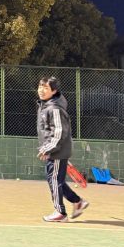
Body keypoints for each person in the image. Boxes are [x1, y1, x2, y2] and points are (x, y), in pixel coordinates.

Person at [36, 76, 89, 222]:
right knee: (55, 180)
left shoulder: (54, 109)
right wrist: (46, 148)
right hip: (56, 150)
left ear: (54, 91)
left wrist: (47, 149)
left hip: (57, 151)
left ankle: (60, 212)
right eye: (40, 86)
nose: (41, 90)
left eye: (46, 88)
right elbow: (48, 131)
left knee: (54, 180)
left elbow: (59, 133)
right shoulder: (46, 106)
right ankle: (78, 202)